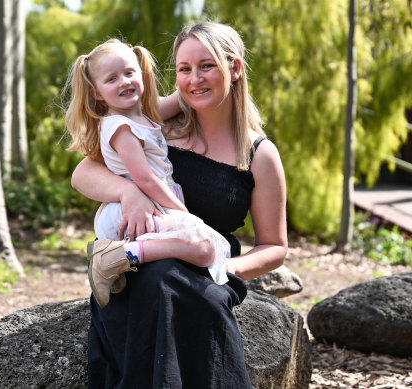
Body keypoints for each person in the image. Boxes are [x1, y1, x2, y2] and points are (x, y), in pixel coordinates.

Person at [71, 21, 288, 388]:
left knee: (187, 291)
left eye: (206, 65)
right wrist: (129, 193)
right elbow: (82, 174)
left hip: (208, 262)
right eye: (184, 69)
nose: (193, 79)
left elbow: (275, 247)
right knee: (160, 279)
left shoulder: (260, 155)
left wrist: (224, 265)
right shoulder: (159, 123)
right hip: (143, 261)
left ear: (234, 69)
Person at [63, 38, 232, 309]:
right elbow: (145, 179)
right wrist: (186, 215)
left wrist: (205, 75)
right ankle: (116, 257)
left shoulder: (143, 116)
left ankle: (123, 261)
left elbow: (185, 95)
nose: (124, 82)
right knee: (203, 248)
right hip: (133, 210)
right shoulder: (121, 127)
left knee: (202, 248)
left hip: (152, 204)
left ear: (141, 73)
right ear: (95, 93)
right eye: (112, 79)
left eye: (130, 73)